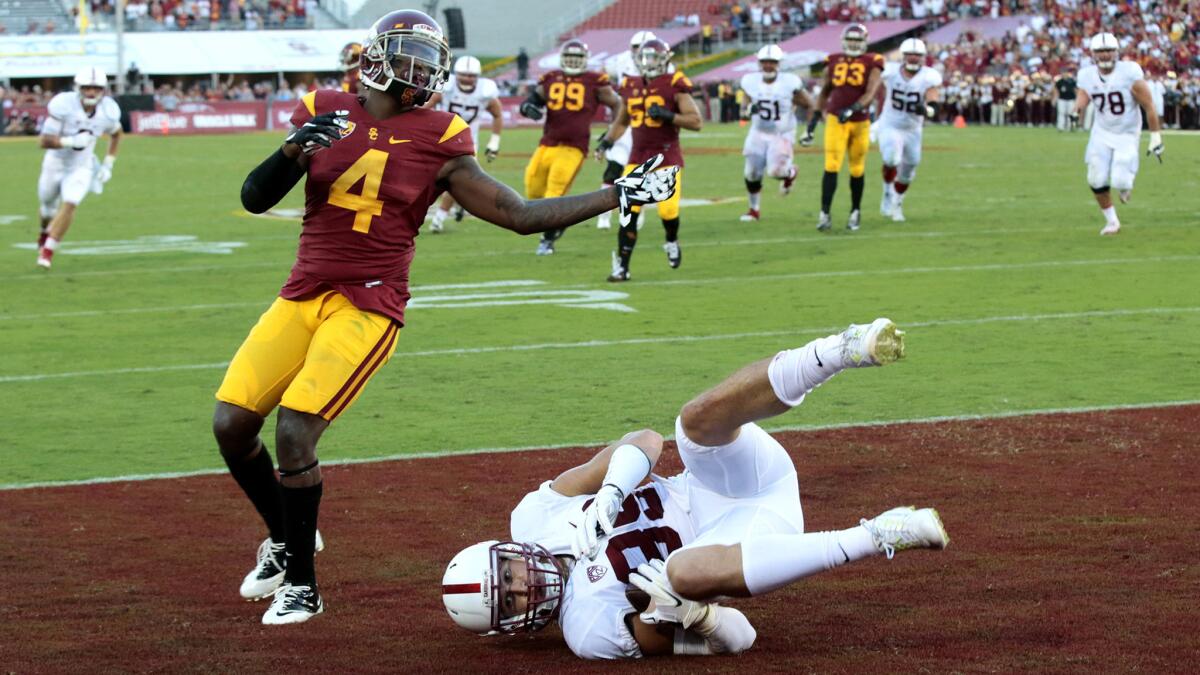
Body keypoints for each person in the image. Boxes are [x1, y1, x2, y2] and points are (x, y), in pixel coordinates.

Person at [216, 9, 678, 626]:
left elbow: (519, 213)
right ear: (378, 56)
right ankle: (286, 538)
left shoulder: (441, 134)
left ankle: (302, 581)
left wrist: (615, 193)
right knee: (230, 424)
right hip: (302, 292)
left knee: (295, 433)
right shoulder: (323, 106)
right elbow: (253, 197)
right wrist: (291, 150)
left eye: (427, 61)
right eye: (408, 56)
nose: (420, 71)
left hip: (369, 304)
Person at [443, 318, 949, 659]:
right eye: (508, 600)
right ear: (510, 627)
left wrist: (612, 493)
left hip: (730, 481)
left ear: (504, 551)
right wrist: (680, 612)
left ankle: (839, 351)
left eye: (505, 574)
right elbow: (712, 637)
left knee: (692, 423)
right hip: (749, 537)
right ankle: (880, 534)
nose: (521, 586)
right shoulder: (587, 630)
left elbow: (643, 439)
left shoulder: (534, 515)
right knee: (680, 570)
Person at [597, 38, 701, 281]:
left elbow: (696, 121)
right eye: (645, 58)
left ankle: (671, 240)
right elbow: (623, 120)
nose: (649, 62)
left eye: (654, 57)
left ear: (665, 59)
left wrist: (669, 116)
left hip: (666, 156)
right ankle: (622, 267)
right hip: (638, 157)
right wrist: (607, 142)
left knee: (667, 211)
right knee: (629, 212)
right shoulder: (630, 84)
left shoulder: (674, 83)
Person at [519, 39, 622, 256]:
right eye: (570, 58)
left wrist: (613, 130)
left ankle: (546, 241)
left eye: (578, 59)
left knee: (554, 192)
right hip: (547, 143)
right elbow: (532, 100)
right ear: (563, 59)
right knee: (532, 188)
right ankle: (560, 220)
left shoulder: (595, 80)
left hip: (573, 147)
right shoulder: (551, 77)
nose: (573, 63)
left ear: (585, 60)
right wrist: (528, 108)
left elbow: (618, 104)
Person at [1070, 32, 1163, 236]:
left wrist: (1155, 137)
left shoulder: (1129, 72)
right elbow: (1084, 94)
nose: (1105, 55)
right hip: (1101, 131)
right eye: (1101, 51)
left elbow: (1149, 106)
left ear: (1116, 52)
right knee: (1096, 178)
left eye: (1109, 51)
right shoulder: (1086, 74)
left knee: (1121, 180)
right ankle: (1112, 221)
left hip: (1127, 132)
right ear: (1093, 53)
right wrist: (1077, 110)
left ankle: (1125, 185)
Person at [35, 66, 122, 269]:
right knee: (48, 208)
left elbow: (117, 134)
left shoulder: (107, 112)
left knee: (71, 202)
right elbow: (44, 141)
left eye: (96, 88)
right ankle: (43, 231)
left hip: (81, 166)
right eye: (87, 87)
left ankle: (48, 250)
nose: (91, 92)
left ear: (103, 90)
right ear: (78, 88)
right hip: (55, 163)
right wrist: (70, 141)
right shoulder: (64, 105)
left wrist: (109, 163)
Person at [801, 23, 884, 232]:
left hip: (860, 121)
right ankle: (824, 213)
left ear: (864, 42)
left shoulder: (873, 61)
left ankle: (855, 211)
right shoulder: (834, 60)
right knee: (831, 165)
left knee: (857, 168)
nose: (854, 44)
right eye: (851, 40)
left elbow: (871, 92)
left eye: (858, 40)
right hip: (836, 119)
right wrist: (813, 122)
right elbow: (824, 92)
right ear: (843, 41)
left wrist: (853, 108)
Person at [424, 55, 502, 232]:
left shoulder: (485, 91)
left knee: (455, 179)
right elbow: (428, 105)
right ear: (456, 74)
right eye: (463, 75)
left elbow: (497, 114)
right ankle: (460, 204)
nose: (467, 79)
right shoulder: (447, 87)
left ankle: (439, 218)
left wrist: (494, 141)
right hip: (440, 139)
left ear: (478, 76)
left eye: (472, 76)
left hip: (467, 143)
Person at [737, 44, 813, 222]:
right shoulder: (750, 80)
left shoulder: (789, 82)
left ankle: (790, 172)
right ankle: (754, 210)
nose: (768, 66)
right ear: (759, 63)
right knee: (751, 174)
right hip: (757, 132)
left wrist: (809, 131)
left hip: (782, 133)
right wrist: (745, 111)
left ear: (779, 63)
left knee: (776, 172)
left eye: (772, 62)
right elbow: (746, 102)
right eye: (765, 62)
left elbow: (809, 104)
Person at [597, 30, 660, 230]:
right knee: (613, 170)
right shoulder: (621, 61)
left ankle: (636, 213)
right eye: (635, 48)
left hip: (648, 126)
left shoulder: (663, 65)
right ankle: (604, 216)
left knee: (641, 174)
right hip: (623, 122)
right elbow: (603, 75)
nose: (639, 51)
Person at [876, 38, 941, 223]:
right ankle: (887, 192)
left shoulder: (929, 76)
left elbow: (933, 99)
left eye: (917, 55)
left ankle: (898, 202)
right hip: (891, 124)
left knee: (909, 167)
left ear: (923, 57)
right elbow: (875, 84)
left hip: (913, 129)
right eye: (910, 54)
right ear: (904, 56)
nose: (913, 58)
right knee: (890, 158)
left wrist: (928, 110)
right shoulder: (890, 72)